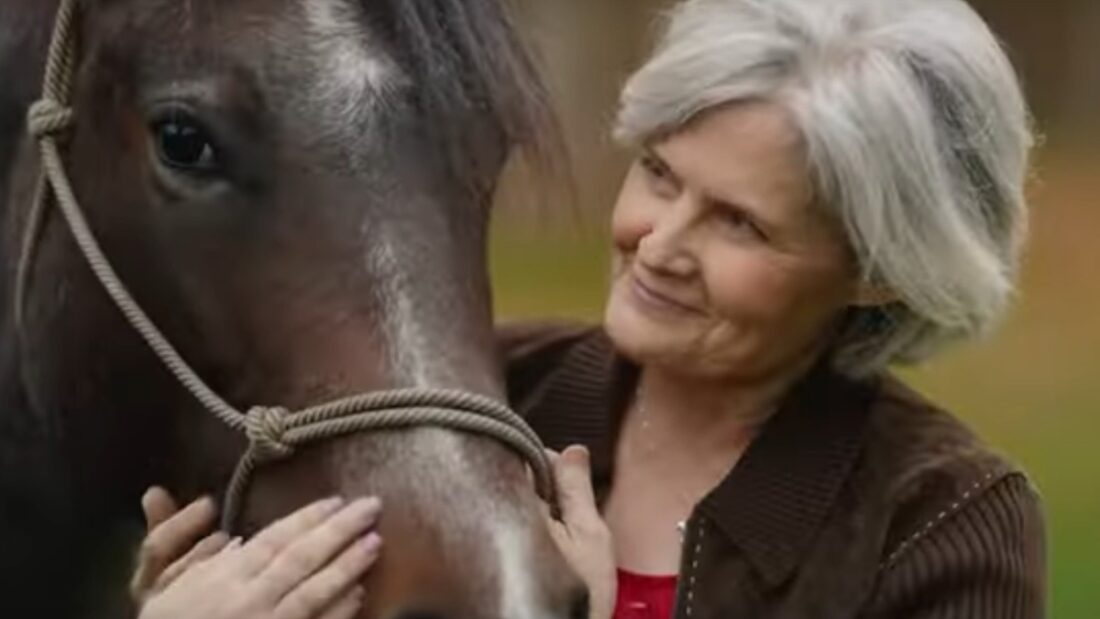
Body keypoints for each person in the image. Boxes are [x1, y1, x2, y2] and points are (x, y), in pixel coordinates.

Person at [131, 0, 1045, 617]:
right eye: (658, 173)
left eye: (737, 222)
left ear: (878, 271)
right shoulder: (460, 401)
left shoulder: (940, 521)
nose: (657, 242)